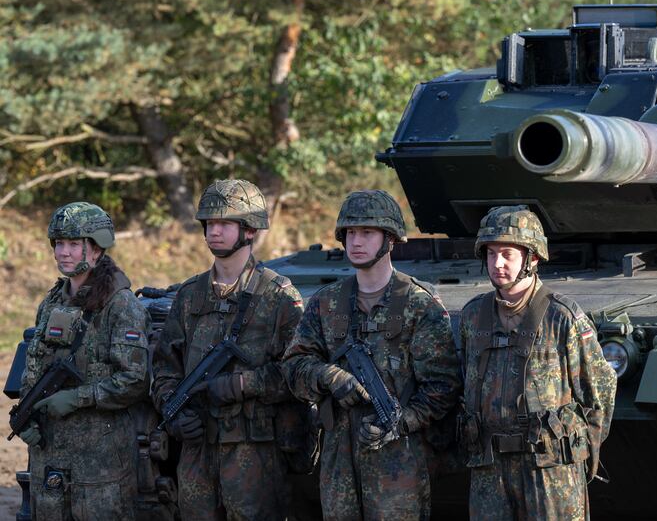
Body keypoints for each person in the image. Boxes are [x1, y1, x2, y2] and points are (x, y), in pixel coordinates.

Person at [282, 189, 462, 521]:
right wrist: (329, 376)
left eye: (367, 232)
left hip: (399, 456)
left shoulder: (417, 304)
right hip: (338, 453)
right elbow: (294, 366)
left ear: (390, 239)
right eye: (350, 233)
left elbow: (443, 386)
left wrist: (400, 423)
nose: (356, 241)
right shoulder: (327, 302)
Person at [151, 179, 305, 521]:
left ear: (249, 231)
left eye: (224, 223)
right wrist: (173, 413)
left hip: (254, 450)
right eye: (209, 224)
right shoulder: (190, 295)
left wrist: (242, 385)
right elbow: (164, 369)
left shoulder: (278, 296)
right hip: (196, 448)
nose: (213, 231)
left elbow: (299, 373)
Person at [459, 205, 616, 520]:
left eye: (507, 254)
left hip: (549, 470)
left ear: (532, 259)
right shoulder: (473, 316)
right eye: (490, 254)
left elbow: (599, 395)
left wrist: (577, 451)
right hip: (490, 469)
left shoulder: (563, 317)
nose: (497, 263)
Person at [18, 202, 149, 520]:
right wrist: (27, 415)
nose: (63, 252)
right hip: (50, 456)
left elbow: (135, 380)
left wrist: (78, 398)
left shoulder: (121, 305)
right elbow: (34, 365)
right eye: (59, 244)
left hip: (100, 466)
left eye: (74, 244)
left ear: (96, 247)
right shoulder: (51, 303)